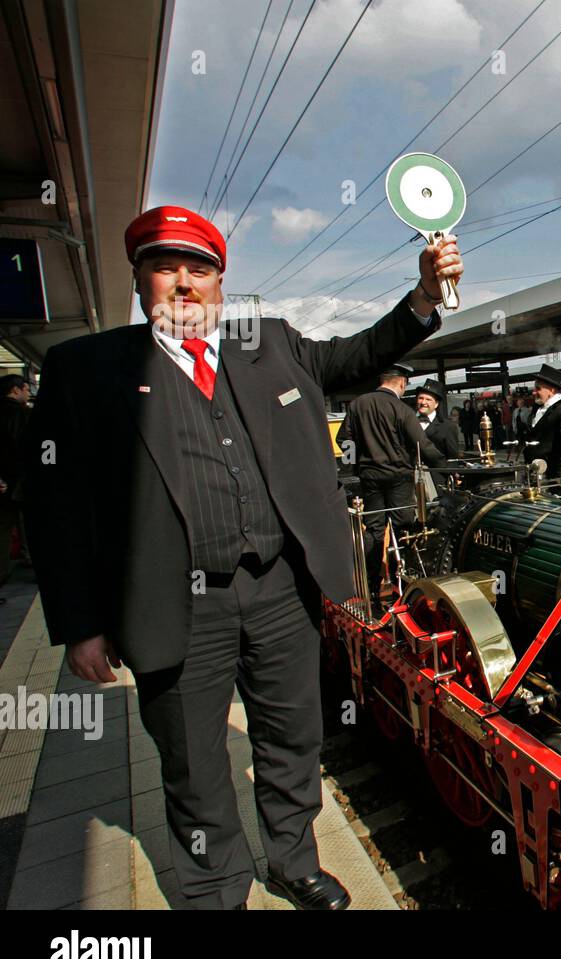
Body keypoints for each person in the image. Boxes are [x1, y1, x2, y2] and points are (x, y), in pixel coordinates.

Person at [24, 205, 462, 910]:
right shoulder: (85, 370)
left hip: (280, 590)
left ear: (221, 284)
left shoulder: (272, 345)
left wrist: (421, 298)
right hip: (173, 603)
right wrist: (80, 622)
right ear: (139, 281)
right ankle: (215, 889)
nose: (185, 284)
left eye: (200, 270)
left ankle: (294, 862)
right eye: (166, 268)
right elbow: (54, 505)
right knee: (193, 763)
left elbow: (360, 354)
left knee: (293, 739)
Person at [338, 364, 448, 611]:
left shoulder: (357, 405)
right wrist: (446, 466)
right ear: (401, 383)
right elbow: (422, 445)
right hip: (399, 478)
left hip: (370, 478)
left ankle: (373, 591)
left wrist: (355, 467)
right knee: (403, 529)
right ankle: (403, 587)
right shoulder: (401, 408)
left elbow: (343, 439)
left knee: (375, 531)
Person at [0, 374, 31, 586]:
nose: (28, 392)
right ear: (15, 390)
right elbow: (46, 446)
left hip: (3, 481)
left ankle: (2, 572)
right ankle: (31, 559)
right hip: (24, 479)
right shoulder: (25, 415)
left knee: (2, 527)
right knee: (30, 523)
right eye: (26, 389)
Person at [525, 365, 561, 476]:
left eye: (538, 388)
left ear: (551, 390)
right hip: (534, 473)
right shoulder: (537, 407)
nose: (533, 392)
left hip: (552, 477)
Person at [414, 381, 462, 491]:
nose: (423, 402)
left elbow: (452, 458)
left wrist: (451, 480)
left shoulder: (448, 426)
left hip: (437, 481)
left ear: (436, 404)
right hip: (410, 480)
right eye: (421, 398)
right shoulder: (408, 421)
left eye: (428, 399)